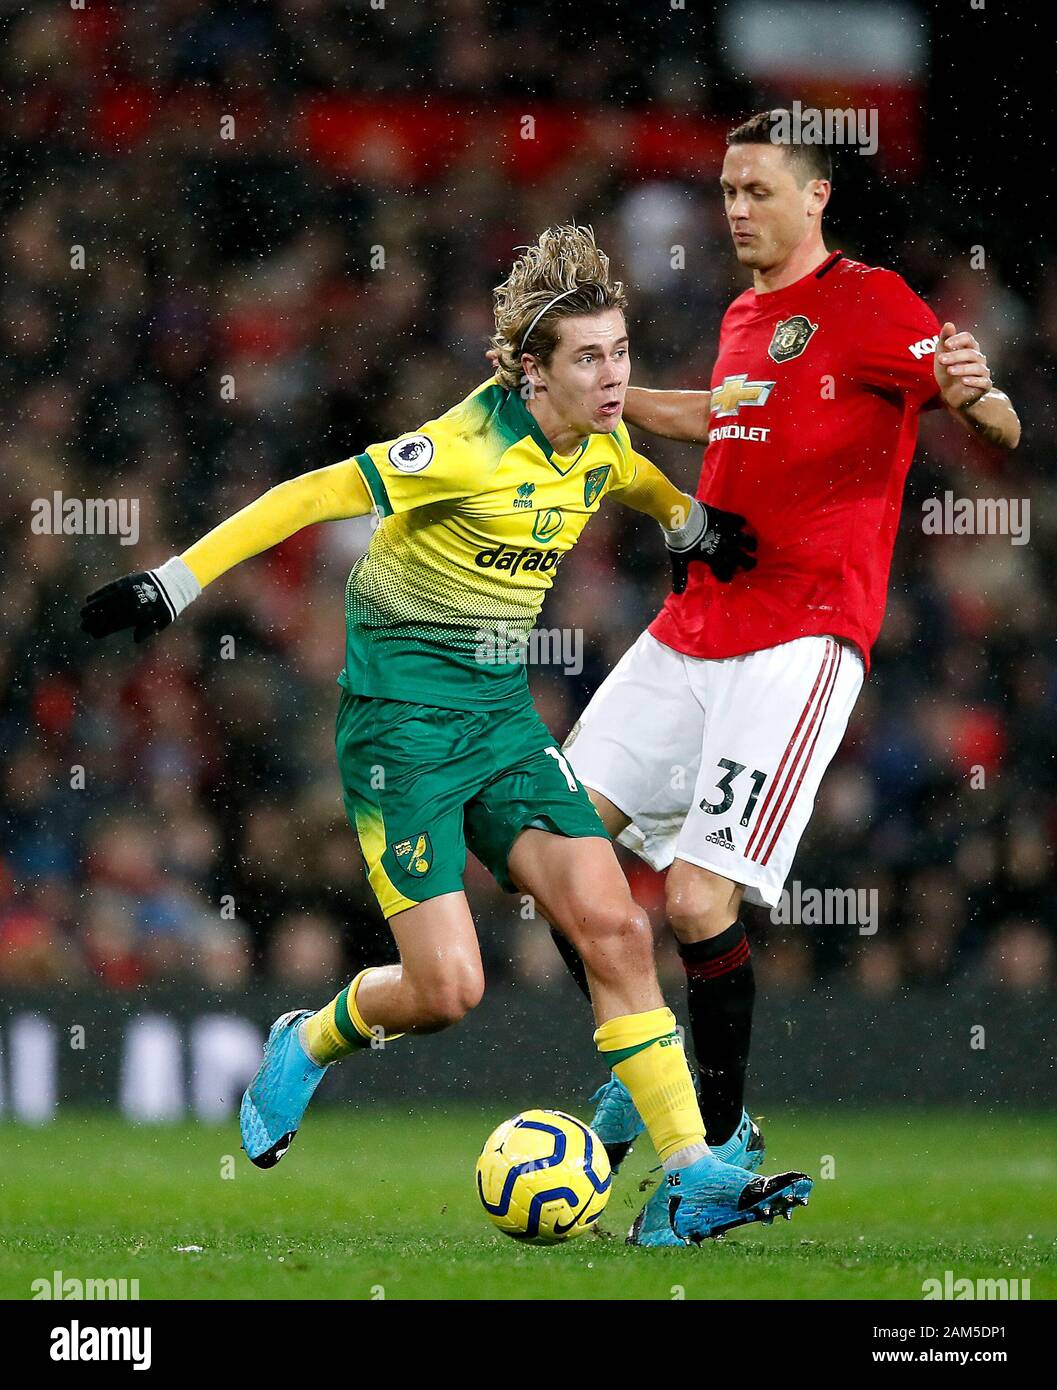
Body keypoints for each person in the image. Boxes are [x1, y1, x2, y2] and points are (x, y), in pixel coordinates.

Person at [81, 225, 811, 1243]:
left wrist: (689, 525)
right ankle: (311, 1035)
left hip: (501, 721)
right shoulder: (460, 447)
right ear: (531, 371)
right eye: (588, 359)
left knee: (611, 925)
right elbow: (307, 494)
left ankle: (689, 1170)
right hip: (400, 734)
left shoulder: (598, 444)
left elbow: (634, 480)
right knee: (448, 986)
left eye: (620, 354)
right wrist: (174, 582)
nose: (614, 379)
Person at [553, 113, 1021, 1245]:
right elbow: (726, 414)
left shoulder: (870, 305)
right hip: (694, 622)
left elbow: (992, 421)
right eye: (725, 189)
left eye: (755, 188)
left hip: (798, 636)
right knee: (552, 846)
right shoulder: (743, 317)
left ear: (814, 198)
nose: (735, 208)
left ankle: (709, 1155)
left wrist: (975, 384)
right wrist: (602, 404)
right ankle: (659, 1080)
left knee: (702, 900)